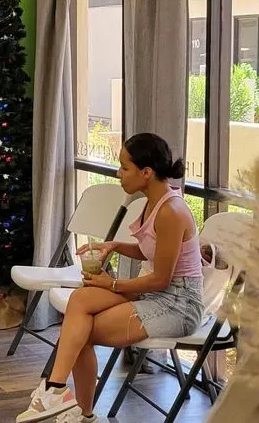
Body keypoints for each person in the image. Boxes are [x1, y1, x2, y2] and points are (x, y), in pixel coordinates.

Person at [16, 133, 205, 423]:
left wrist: (112, 284)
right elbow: (152, 252)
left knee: (81, 333)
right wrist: (114, 245)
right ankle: (58, 392)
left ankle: (75, 407)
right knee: (80, 301)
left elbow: (161, 279)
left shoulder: (172, 211)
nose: (119, 173)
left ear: (146, 172)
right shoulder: (153, 203)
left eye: (124, 167)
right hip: (156, 292)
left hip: (178, 303)